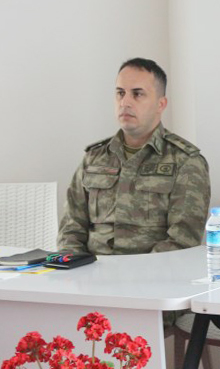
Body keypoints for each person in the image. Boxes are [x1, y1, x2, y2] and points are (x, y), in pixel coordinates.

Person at [57, 57, 211, 255]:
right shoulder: (94, 158)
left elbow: (182, 240)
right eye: (120, 93)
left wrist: (135, 272)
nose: (125, 102)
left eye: (137, 94)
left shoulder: (185, 161)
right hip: (93, 270)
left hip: (154, 272)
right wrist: (77, 265)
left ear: (160, 104)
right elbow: (71, 229)